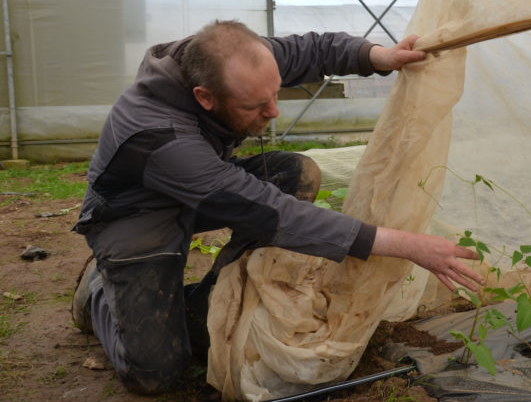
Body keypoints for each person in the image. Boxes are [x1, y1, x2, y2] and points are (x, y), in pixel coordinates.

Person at [71, 20, 483, 395]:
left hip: (205, 189)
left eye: (274, 93)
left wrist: (378, 56)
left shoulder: (236, 57)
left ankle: (214, 301)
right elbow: (271, 213)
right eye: (255, 106)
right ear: (205, 97)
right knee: (156, 373)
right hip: (137, 216)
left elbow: (314, 49)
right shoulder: (157, 135)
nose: (273, 111)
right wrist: (408, 245)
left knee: (297, 173)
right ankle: (96, 293)